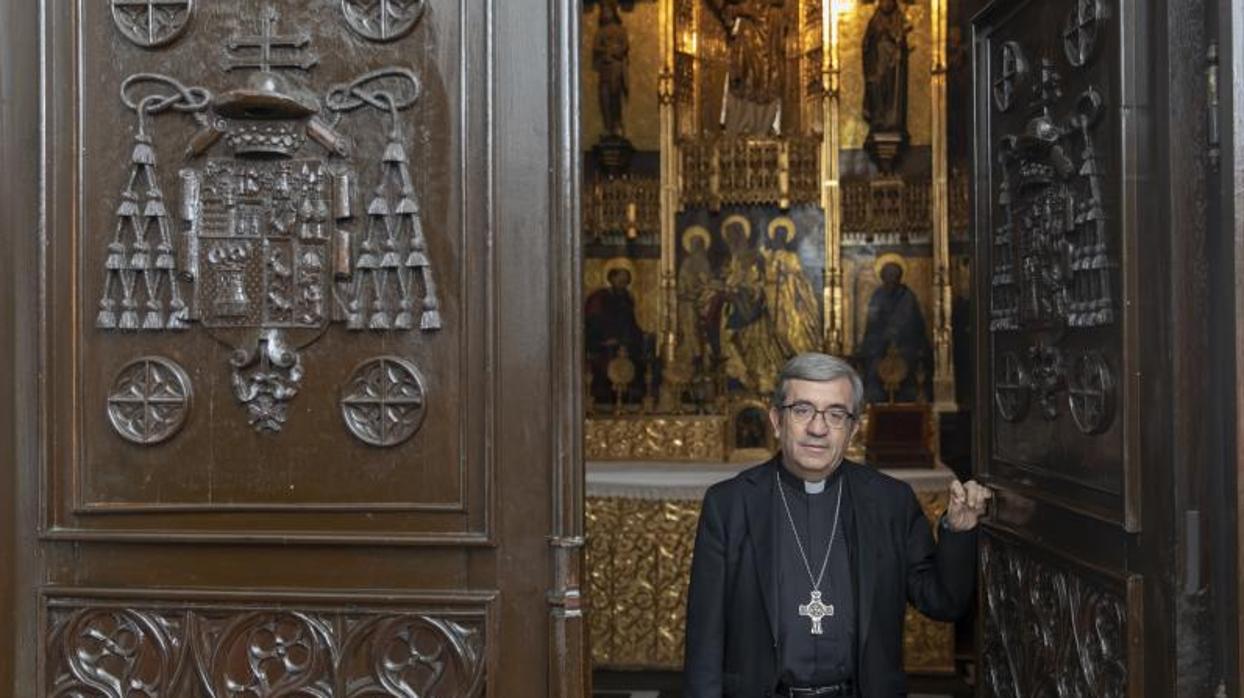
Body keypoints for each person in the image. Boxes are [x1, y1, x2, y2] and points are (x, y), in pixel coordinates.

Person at [684, 353, 990, 697]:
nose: (818, 428)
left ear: (853, 429)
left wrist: (959, 530)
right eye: (802, 410)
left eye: (835, 414)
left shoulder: (891, 502)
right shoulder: (729, 504)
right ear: (776, 420)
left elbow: (943, 602)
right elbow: (704, 638)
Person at [858, 259, 931, 403]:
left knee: (909, 369)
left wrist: (893, 332)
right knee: (873, 367)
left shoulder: (907, 297)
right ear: (882, 277)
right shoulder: (878, 295)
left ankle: (909, 399)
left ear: (899, 277)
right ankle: (873, 400)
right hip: (880, 346)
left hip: (905, 346)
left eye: (893, 275)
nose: (890, 279)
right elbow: (872, 323)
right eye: (887, 275)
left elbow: (912, 323)